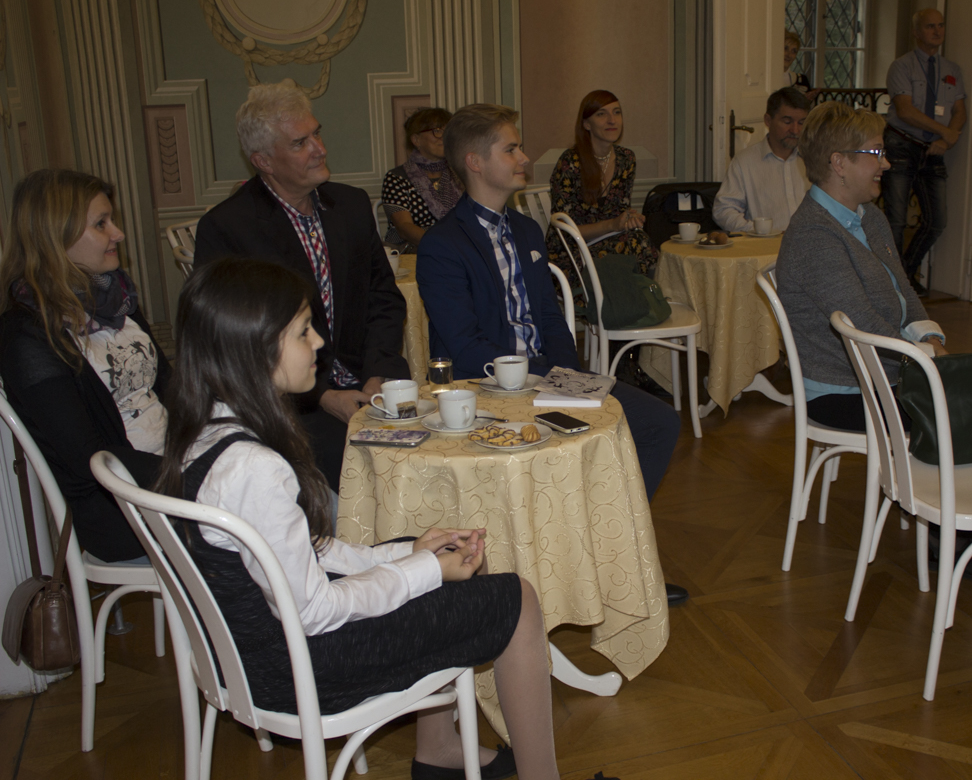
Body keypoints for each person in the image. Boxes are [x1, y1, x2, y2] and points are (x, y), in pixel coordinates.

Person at [156, 257, 595, 780]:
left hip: (260, 653)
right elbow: (315, 611)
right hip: (300, 670)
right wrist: (424, 571)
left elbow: (303, 552)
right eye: (303, 331)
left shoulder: (203, 437)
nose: (319, 342)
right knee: (515, 598)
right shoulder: (254, 468)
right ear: (255, 347)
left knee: (427, 553)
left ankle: (440, 752)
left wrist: (408, 553)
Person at [417, 104, 688, 606]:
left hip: (547, 379)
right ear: (475, 162)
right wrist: (541, 380)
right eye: (511, 149)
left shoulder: (524, 230)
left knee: (658, 423)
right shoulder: (442, 245)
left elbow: (549, 314)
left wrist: (570, 376)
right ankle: (567, 569)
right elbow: (466, 347)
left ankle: (612, 556)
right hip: (487, 390)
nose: (524, 158)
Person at [194, 81, 409, 491]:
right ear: (263, 161)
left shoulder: (350, 205)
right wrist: (322, 395)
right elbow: (232, 341)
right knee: (373, 471)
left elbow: (383, 296)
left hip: (367, 382)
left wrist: (379, 373)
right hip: (289, 403)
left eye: (317, 134)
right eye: (299, 143)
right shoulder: (228, 228)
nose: (319, 149)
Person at [0, 169, 170, 562]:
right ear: (54, 237)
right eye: (101, 224)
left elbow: (168, 386)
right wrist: (190, 474)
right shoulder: (27, 334)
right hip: (120, 504)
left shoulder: (115, 299)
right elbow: (87, 456)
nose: (119, 234)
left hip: (167, 469)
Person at [777, 101, 946, 432]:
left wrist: (930, 337)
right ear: (839, 163)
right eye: (876, 152)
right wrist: (924, 356)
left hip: (885, 374)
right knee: (970, 411)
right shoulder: (814, 234)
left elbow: (904, 288)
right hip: (843, 390)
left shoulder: (869, 216)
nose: (886, 163)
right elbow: (862, 324)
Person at [880, 8, 967, 296]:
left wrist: (947, 139)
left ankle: (904, 273)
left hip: (934, 151)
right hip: (902, 146)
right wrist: (945, 131)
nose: (937, 31)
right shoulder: (902, 66)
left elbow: (960, 111)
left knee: (937, 221)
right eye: (930, 26)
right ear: (917, 32)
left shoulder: (952, 70)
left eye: (940, 25)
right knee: (896, 220)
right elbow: (905, 111)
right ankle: (894, 284)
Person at [545, 90, 655, 288]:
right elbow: (565, 230)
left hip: (609, 241)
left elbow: (618, 211)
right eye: (601, 114)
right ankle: (637, 301)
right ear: (587, 124)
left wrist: (628, 219)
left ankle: (643, 300)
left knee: (639, 240)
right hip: (571, 252)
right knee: (636, 247)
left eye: (617, 112)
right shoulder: (570, 162)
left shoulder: (626, 159)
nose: (612, 120)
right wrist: (613, 224)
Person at [713, 87, 811, 234]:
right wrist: (758, 231)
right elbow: (724, 210)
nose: (795, 130)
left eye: (801, 123)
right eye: (787, 122)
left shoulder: (813, 160)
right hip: (765, 244)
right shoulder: (745, 162)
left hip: (810, 243)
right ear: (768, 120)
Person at [381, 107, 463, 250]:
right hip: (412, 251)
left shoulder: (459, 174)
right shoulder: (396, 177)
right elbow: (404, 227)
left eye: (448, 131)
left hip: (457, 249)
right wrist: (443, 246)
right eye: (437, 131)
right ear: (416, 140)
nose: (444, 137)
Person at [781, 31, 818, 100]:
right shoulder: (766, 80)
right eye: (785, 48)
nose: (789, 54)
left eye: (793, 51)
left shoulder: (802, 81)